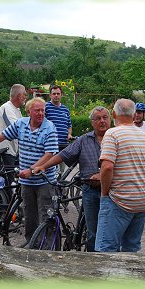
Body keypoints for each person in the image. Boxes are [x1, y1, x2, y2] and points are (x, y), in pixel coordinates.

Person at [0, 97, 58, 243]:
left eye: (43, 110)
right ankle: (31, 247)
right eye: (37, 110)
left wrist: (32, 170)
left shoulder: (49, 128)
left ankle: (46, 251)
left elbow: (49, 154)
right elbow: (0, 137)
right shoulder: (21, 124)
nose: (41, 113)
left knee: (45, 217)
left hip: (44, 181)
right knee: (29, 218)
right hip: (26, 181)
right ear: (29, 112)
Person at [32, 106, 111, 251]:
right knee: (93, 231)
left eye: (105, 117)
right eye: (98, 118)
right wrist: (43, 166)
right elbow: (63, 155)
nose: (102, 121)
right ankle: (93, 260)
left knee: (110, 230)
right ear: (92, 122)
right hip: (90, 190)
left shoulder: (117, 138)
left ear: (110, 119)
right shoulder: (84, 140)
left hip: (112, 191)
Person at [95, 99, 145, 252]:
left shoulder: (112, 133)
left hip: (119, 200)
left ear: (114, 113)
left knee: (106, 249)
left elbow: (107, 166)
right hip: (142, 201)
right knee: (131, 249)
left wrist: (105, 192)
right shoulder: (144, 136)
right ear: (133, 114)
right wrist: (140, 182)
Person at [0, 84, 27, 169]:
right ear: (19, 96)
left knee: (8, 174)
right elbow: (15, 127)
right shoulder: (7, 108)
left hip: (11, 150)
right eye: (25, 94)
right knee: (9, 178)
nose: (26, 97)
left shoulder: (16, 109)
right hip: (5, 150)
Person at [45, 85, 73, 150]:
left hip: (64, 145)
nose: (56, 95)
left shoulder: (65, 109)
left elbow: (69, 126)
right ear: (50, 95)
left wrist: (69, 134)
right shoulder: (45, 107)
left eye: (58, 93)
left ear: (61, 95)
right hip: (50, 144)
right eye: (54, 94)